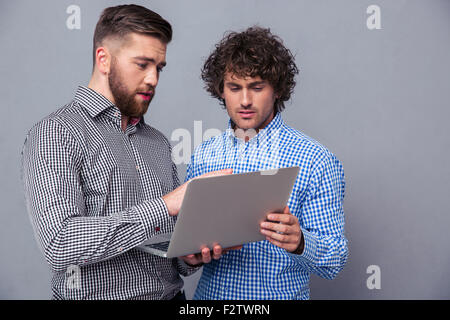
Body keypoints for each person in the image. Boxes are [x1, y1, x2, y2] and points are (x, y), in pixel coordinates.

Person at [21, 4, 230, 300]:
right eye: (142, 64)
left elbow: (167, 246)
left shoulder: (157, 143)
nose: (153, 79)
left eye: (159, 68)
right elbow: (59, 244)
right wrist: (165, 205)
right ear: (104, 59)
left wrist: (187, 255)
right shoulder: (56, 133)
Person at [186, 26, 349, 300]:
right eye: (235, 88)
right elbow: (187, 249)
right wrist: (191, 256)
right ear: (221, 91)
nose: (245, 100)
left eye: (257, 87)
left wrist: (300, 242)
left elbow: (334, 260)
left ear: (277, 90)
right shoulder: (203, 156)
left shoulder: (316, 159)